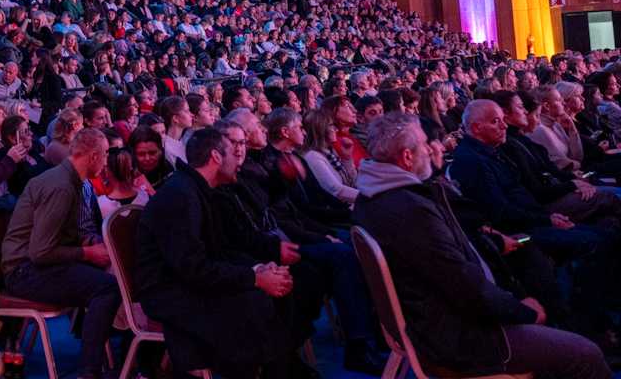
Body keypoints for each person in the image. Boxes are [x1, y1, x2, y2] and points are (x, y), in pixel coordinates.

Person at [354, 113, 610, 379]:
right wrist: (522, 311)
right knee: (586, 355)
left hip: (437, 322)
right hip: (463, 338)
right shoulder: (410, 210)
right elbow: (464, 284)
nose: (431, 150)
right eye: (424, 145)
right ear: (407, 157)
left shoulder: (373, 197)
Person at [138, 126, 307, 378]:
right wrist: (254, 278)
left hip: (190, 278)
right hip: (170, 291)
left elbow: (222, 248)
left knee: (283, 288)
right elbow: (191, 268)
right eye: (231, 151)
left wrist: (259, 269)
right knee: (253, 303)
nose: (239, 157)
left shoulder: (201, 189)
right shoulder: (180, 196)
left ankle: (282, 368)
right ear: (216, 157)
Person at [1, 127, 119, 379]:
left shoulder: (68, 180)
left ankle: (93, 362)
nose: (107, 161)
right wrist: (87, 253)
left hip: (30, 264)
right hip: (24, 271)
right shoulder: (62, 187)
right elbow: (41, 252)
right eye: (106, 154)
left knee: (108, 276)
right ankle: (90, 372)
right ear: (93, 156)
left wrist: (89, 243)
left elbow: (56, 237)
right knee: (107, 288)